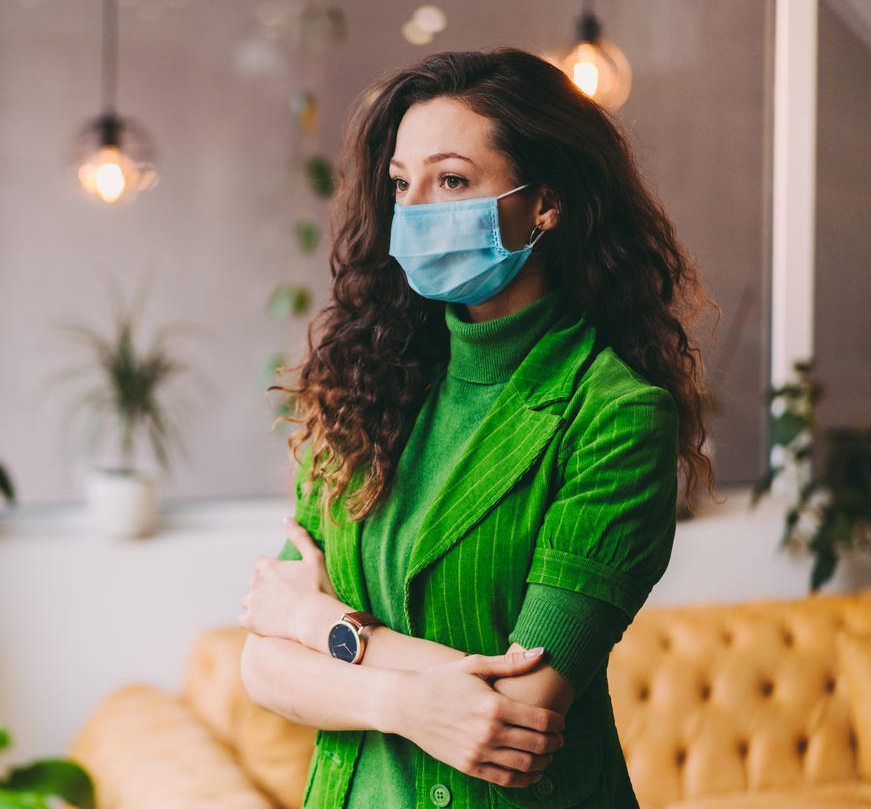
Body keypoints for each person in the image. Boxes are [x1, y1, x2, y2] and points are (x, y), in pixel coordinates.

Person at [237, 48, 712, 809]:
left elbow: (520, 713)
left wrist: (320, 624)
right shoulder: (365, 382)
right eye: (401, 184)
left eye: (451, 180)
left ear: (545, 203)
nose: (417, 209)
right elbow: (260, 665)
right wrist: (396, 701)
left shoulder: (614, 413)